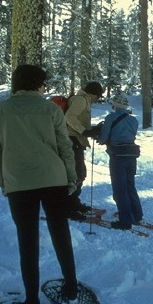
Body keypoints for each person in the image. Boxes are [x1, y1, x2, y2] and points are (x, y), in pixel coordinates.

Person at [0, 64, 79, 304]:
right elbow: (64, 147)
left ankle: (31, 303)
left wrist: (4, 181)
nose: (44, 87)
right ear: (37, 84)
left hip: (20, 185)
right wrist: (71, 178)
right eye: (43, 83)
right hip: (54, 179)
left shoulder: (0, 111)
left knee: (27, 242)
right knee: (61, 233)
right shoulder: (50, 109)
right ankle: (70, 287)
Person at [97, 92, 143, 230]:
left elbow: (103, 138)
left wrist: (98, 136)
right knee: (130, 186)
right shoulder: (134, 120)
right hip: (131, 155)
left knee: (119, 189)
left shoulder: (111, 117)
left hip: (117, 156)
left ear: (116, 104)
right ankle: (137, 216)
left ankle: (125, 221)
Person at [65, 81, 104, 220]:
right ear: (93, 93)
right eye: (98, 96)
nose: (97, 99)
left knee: (79, 173)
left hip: (76, 140)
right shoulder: (81, 100)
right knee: (77, 173)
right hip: (72, 140)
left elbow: (78, 120)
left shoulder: (83, 99)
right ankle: (69, 207)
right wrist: (84, 131)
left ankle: (74, 204)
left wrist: (91, 130)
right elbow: (69, 117)